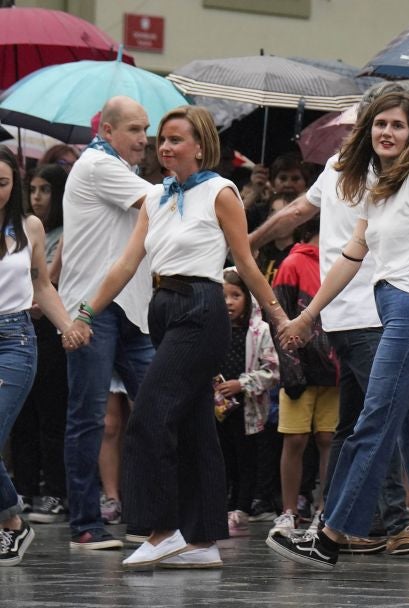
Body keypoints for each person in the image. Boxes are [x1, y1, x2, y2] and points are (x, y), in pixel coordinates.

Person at [66, 105, 289, 570]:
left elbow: (246, 263)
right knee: (195, 428)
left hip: (201, 308)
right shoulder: (157, 197)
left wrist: (277, 315)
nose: (163, 147)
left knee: (148, 416)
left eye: (175, 139)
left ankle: (161, 529)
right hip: (162, 308)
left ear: (201, 146)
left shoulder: (220, 192)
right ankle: (204, 540)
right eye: (161, 139)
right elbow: (126, 265)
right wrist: (86, 310)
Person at [267, 91, 409, 570]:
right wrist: (309, 314)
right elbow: (353, 255)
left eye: (397, 125)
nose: (387, 133)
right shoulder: (381, 184)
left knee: (374, 420)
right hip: (393, 304)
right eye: (380, 125)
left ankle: (332, 534)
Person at [58, 96, 155, 550]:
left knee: (157, 408)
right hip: (93, 312)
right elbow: (158, 203)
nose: (144, 140)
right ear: (108, 130)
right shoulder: (99, 164)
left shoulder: (117, 168)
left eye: (147, 131)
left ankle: (150, 516)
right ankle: (84, 524)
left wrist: (54, 276)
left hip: (129, 310)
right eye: (135, 130)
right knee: (88, 418)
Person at [0, 145, 75, 566]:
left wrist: (68, 327)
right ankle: (12, 520)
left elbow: (42, 286)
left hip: (15, 340)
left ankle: (12, 523)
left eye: (3, 183)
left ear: (16, 187)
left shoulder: (28, 226)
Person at [269, 221, 340, 537]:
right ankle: (288, 511)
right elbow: (278, 316)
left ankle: (324, 510)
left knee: (328, 439)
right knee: (295, 439)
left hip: (334, 368)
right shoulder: (292, 263)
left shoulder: (339, 262)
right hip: (299, 367)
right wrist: (290, 367)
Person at [10, 164, 69, 524]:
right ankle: (24, 488)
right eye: (33, 189)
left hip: (44, 327)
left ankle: (54, 491)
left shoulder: (55, 231)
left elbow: (47, 282)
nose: (37, 197)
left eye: (45, 189)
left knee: (50, 413)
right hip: (16, 319)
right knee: (19, 416)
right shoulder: (17, 229)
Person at [216, 268, 279, 538]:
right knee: (223, 456)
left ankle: (241, 508)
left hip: (248, 408)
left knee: (246, 458)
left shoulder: (259, 331)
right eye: (223, 296)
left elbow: (272, 369)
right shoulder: (214, 330)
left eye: (235, 295)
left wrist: (241, 384)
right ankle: (224, 505)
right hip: (217, 407)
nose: (228, 302)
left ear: (248, 299)